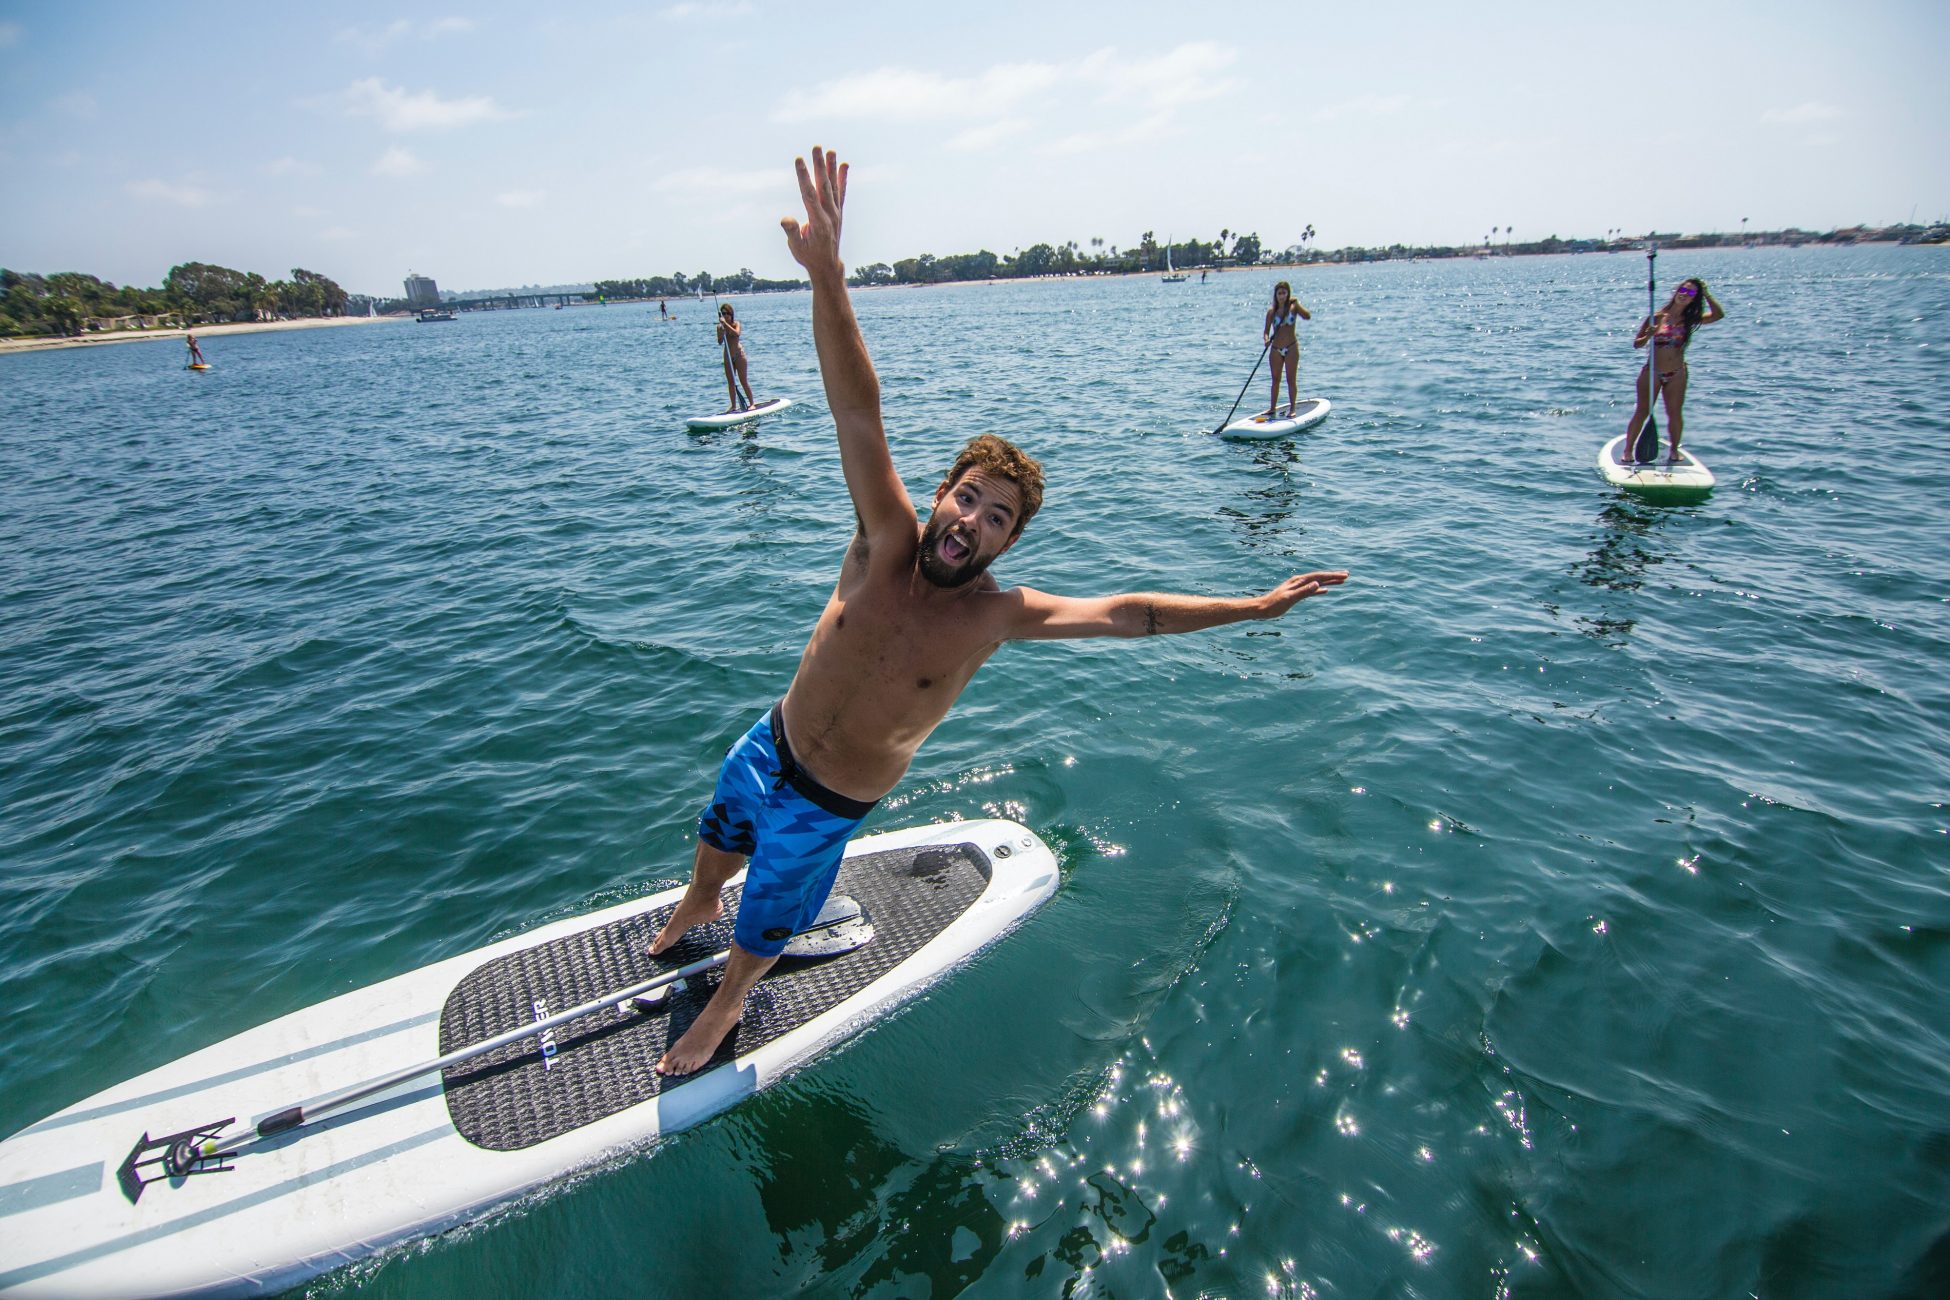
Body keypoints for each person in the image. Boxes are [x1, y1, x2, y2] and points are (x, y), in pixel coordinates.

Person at [648, 147, 1350, 1076]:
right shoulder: (880, 538)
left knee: (770, 907)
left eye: (997, 518)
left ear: (1007, 544)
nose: (972, 521)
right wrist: (828, 278)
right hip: (772, 740)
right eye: (968, 497)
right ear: (942, 492)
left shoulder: (996, 614)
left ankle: (728, 1003)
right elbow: (859, 409)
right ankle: (698, 899)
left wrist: (1253, 606)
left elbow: (1129, 614)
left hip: (831, 799)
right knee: (716, 840)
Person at [1623, 277, 1724, 462]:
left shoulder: (1690, 320)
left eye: (1691, 293)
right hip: (1652, 372)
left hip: (1677, 374)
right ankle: (1628, 450)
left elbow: (1718, 315)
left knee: (1675, 412)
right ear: (1676, 292)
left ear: (1695, 298)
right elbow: (1637, 344)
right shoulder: (1657, 317)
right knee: (1642, 411)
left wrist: (1706, 293)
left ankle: (1674, 451)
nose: (1685, 295)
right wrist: (1648, 335)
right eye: (1683, 291)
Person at [1262, 282, 1311, 418]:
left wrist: (1298, 304)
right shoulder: (1271, 312)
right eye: (1279, 293)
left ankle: (1293, 408)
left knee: (1291, 379)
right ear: (1276, 295)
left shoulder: (1294, 309)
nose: (1282, 296)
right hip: (1276, 349)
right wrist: (1266, 340)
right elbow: (1266, 331)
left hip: (1291, 347)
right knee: (1275, 379)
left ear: (1288, 294)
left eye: (1284, 293)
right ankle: (1272, 408)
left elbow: (1307, 316)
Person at [716, 302, 756, 411]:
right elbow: (719, 342)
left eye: (727, 314)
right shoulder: (720, 327)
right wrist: (721, 332)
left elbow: (737, 334)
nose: (725, 316)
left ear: (731, 314)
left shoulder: (736, 324)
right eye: (723, 314)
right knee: (731, 383)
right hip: (728, 356)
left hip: (739, 355)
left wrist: (727, 325)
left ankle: (752, 403)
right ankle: (733, 406)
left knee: (743, 380)